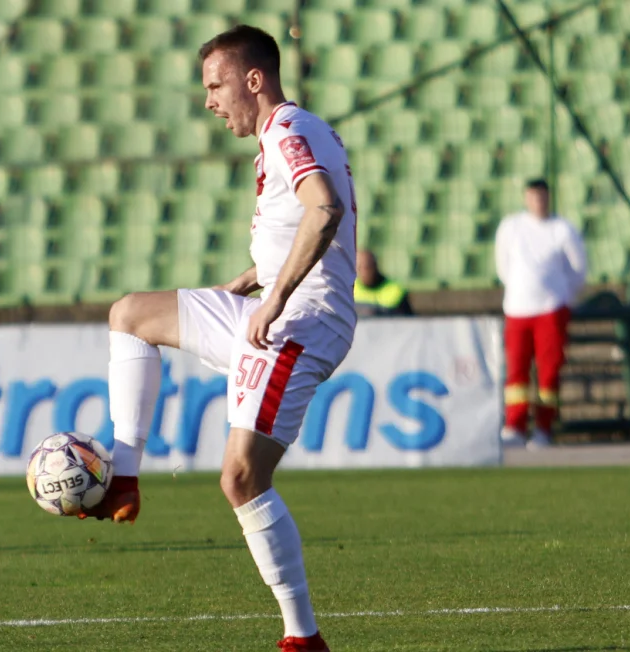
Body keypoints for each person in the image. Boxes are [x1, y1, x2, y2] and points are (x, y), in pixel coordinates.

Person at [81, 25, 356, 652]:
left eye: (215, 85)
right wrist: (255, 277)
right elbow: (309, 222)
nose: (208, 101)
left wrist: (276, 296)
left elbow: (325, 209)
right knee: (130, 314)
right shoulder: (292, 131)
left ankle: (303, 637)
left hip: (301, 322)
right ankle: (123, 478)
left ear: (253, 80)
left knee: (241, 478)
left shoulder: (286, 131)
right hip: (273, 304)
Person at [494, 179, 588, 449]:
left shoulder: (562, 229)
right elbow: (503, 265)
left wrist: (560, 296)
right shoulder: (511, 227)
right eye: (533, 197)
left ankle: (544, 427)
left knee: (549, 371)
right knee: (516, 370)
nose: (538, 202)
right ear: (526, 198)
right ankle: (515, 425)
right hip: (517, 310)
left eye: (542, 196)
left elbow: (578, 269)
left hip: (550, 310)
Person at [353, 249, 413, 317]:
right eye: (359, 268)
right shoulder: (350, 290)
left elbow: (407, 318)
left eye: (367, 267)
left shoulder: (396, 290)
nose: (364, 272)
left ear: (375, 266)